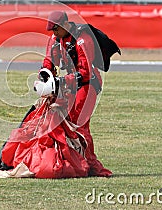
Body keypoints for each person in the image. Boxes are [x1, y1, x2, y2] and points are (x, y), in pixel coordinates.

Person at [41, 10, 112, 177]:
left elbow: (85, 72)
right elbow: (49, 60)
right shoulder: (56, 38)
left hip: (88, 85)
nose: (54, 33)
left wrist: (61, 82)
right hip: (71, 85)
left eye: (56, 29)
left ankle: (93, 166)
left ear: (65, 25)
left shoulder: (83, 39)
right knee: (66, 121)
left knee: (80, 125)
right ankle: (77, 162)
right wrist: (45, 74)